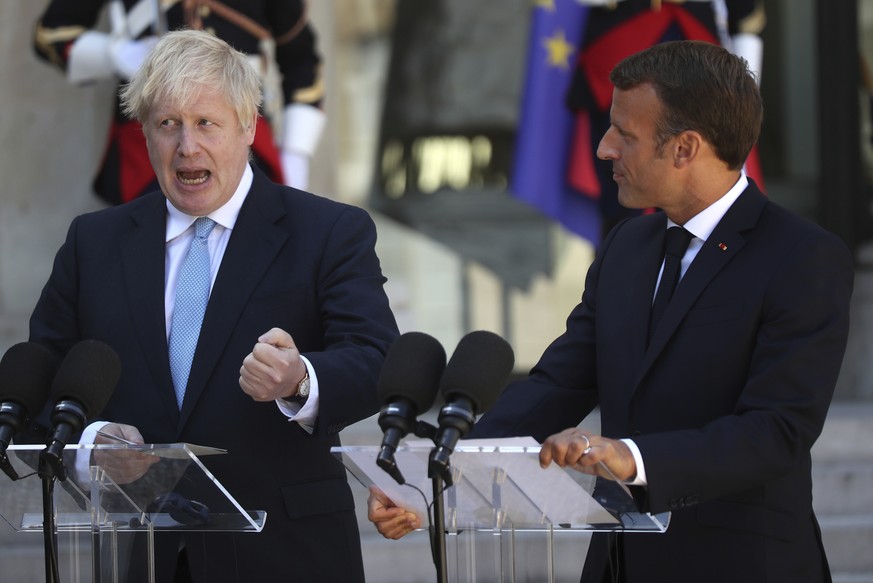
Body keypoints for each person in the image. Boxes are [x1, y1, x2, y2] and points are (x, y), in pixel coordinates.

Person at [369, 40, 853, 583]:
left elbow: (777, 430)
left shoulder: (801, 255)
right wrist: (441, 476)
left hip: (743, 564)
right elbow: (559, 384)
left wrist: (633, 457)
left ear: (685, 148)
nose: (603, 148)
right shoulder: (628, 246)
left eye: (625, 134)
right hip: (621, 564)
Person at [28, 29, 398, 583]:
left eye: (206, 123)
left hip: (288, 555)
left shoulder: (327, 232)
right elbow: (35, 381)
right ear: (146, 133)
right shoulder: (93, 244)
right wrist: (89, 445)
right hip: (143, 557)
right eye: (167, 124)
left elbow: (377, 359)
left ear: (249, 126)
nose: (187, 147)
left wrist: (301, 378)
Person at [33, 0, 325, 204]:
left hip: (241, 132)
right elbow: (51, 35)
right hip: (149, 142)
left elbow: (301, 60)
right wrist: (116, 54)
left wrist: (295, 155)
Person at [566, 0, 766, 238]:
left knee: (704, 190)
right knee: (621, 191)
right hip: (622, 43)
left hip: (697, 47)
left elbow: (745, 18)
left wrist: (744, 93)